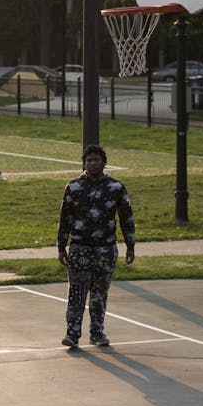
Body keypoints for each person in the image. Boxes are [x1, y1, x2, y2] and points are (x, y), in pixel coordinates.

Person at [56, 144, 136, 348]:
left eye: (96, 160)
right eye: (88, 160)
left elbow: (126, 217)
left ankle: (97, 332)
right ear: (84, 163)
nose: (92, 163)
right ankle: (72, 333)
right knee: (77, 292)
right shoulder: (73, 187)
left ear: (104, 162)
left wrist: (130, 245)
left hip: (105, 249)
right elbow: (65, 218)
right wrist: (61, 246)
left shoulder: (116, 187)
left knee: (99, 294)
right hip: (79, 248)